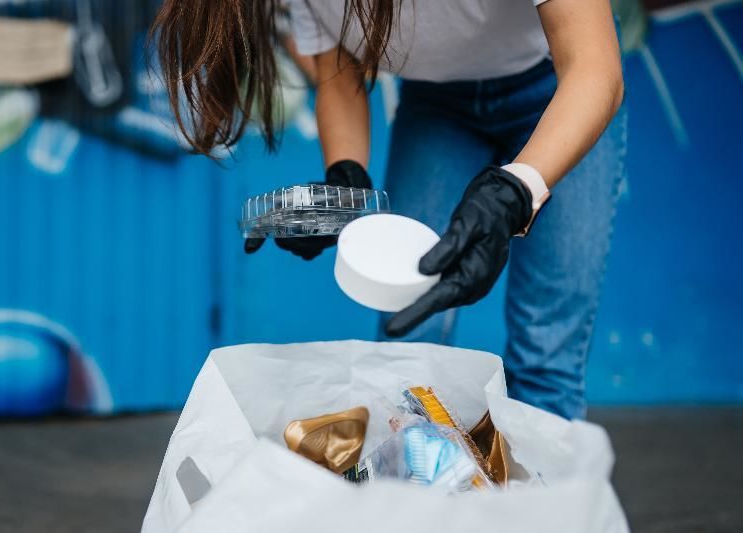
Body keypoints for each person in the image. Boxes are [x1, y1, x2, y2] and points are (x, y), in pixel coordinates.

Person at [151, 0, 627, 420]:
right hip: (438, 106)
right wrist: (346, 179)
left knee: (546, 357)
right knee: (407, 353)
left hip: (559, 88)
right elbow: (339, 73)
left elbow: (594, 68)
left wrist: (517, 190)